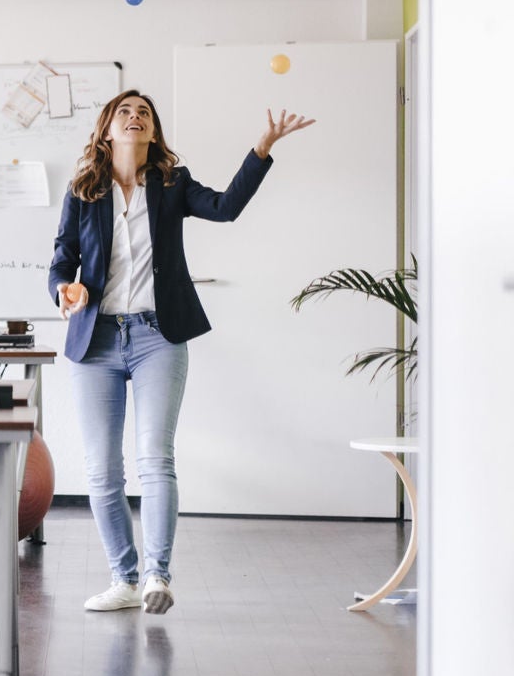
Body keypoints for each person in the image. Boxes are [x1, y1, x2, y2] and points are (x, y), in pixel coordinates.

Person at [47, 90, 314, 614]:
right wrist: (64, 289)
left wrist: (260, 149)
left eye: (143, 113)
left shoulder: (172, 184)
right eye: (124, 111)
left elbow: (226, 208)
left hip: (157, 337)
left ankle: (155, 578)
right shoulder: (84, 191)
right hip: (96, 337)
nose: (134, 117)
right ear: (107, 129)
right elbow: (62, 257)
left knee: (155, 458)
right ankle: (123, 579)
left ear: (153, 132)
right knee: (101, 470)